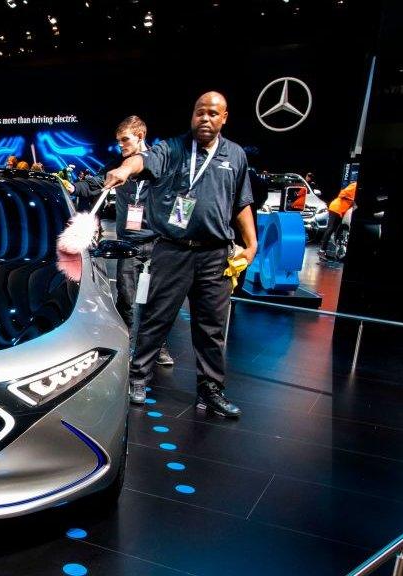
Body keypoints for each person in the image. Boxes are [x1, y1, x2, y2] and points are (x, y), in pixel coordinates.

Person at [104, 92, 257, 417]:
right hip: (173, 250)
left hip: (216, 254)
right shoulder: (173, 149)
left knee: (212, 328)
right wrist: (125, 169)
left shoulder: (235, 155)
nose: (206, 118)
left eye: (213, 113)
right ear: (192, 115)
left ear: (224, 117)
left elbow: (242, 202)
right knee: (157, 318)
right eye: (200, 112)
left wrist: (252, 242)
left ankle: (212, 390)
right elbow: (142, 160)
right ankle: (138, 378)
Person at [111, 115, 174, 366]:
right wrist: (75, 188)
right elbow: (95, 183)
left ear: (140, 136)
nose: (121, 145)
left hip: (157, 244)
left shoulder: (162, 168)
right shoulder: (120, 167)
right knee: (126, 297)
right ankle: (126, 343)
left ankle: (157, 347)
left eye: (124, 140)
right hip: (128, 246)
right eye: (118, 141)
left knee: (156, 300)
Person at [319, 181, 356, 256]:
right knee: (330, 229)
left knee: (334, 230)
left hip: (340, 210)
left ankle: (327, 248)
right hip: (336, 208)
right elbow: (342, 193)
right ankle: (322, 250)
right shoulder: (355, 185)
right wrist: (351, 199)